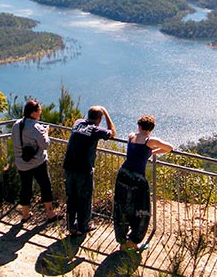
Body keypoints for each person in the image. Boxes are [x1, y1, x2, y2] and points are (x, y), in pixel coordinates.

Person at [112, 114, 173, 252]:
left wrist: (148, 152)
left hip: (123, 174)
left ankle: (122, 240)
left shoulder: (131, 136)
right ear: (151, 129)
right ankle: (133, 241)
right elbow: (169, 147)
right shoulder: (150, 141)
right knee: (142, 209)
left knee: (122, 206)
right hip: (138, 178)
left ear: (139, 126)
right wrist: (152, 151)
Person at [62, 105, 116, 236]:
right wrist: (106, 114)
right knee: (85, 198)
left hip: (69, 166)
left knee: (72, 197)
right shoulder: (96, 131)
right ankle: (83, 226)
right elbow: (112, 133)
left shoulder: (78, 123)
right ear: (99, 119)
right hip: (83, 169)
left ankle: (71, 226)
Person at [11, 99, 59, 223]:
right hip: (38, 163)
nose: (40, 114)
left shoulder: (16, 125)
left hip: (21, 163)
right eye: (39, 111)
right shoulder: (36, 127)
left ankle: (25, 214)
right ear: (33, 113)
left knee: (25, 188)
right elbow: (45, 145)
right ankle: (50, 213)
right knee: (45, 186)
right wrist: (46, 132)